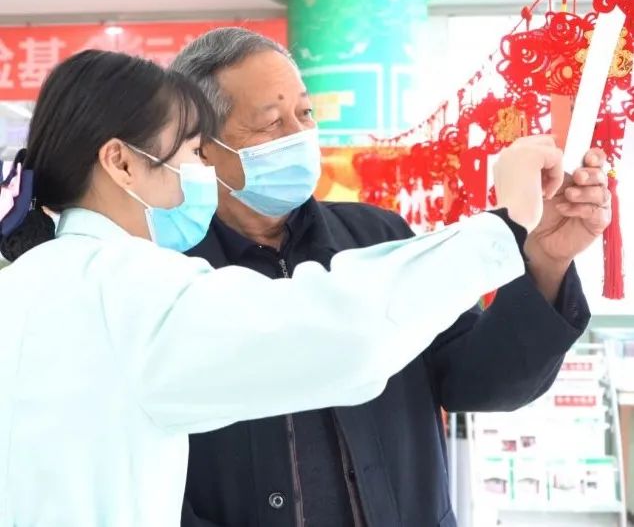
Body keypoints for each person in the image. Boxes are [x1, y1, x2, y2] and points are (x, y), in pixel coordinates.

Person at [0, 50, 554, 527]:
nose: (199, 173)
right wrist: (503, 226)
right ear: (122, 162)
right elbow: (343, 335)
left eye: (305, 113)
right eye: (191, 153)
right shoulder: (137, 289)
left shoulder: (25, 283)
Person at [171, 28, 611, 527]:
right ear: (201, 147)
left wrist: (546, 260)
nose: (298, 134)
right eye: (271, 122)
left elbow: (479, 379)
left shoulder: (380, 236)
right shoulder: (172, 276)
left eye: (305, 112)